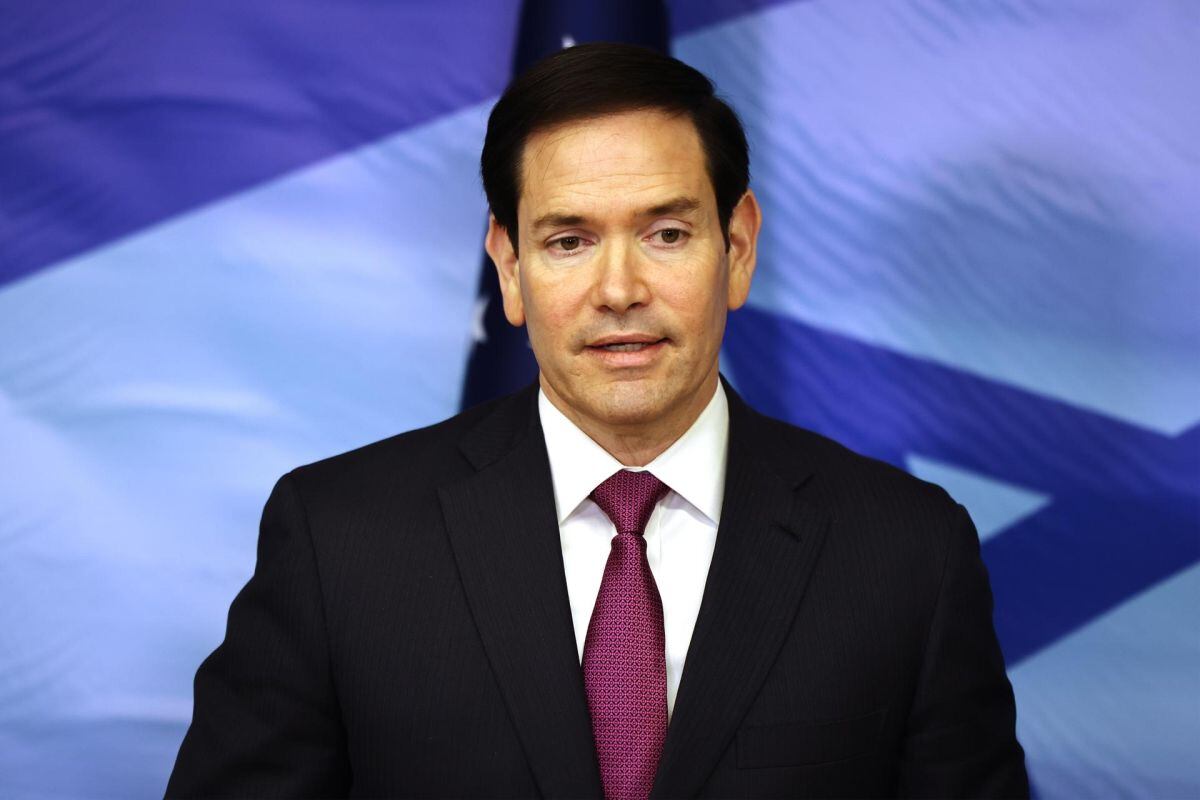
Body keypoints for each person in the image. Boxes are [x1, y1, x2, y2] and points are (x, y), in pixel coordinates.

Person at [167, 43, 1028, 799]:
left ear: (739, 246)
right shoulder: (340, 538)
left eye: (664, 233)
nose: (619, 291)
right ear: (508, 268)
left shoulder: (909, 553)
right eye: (568, 241)